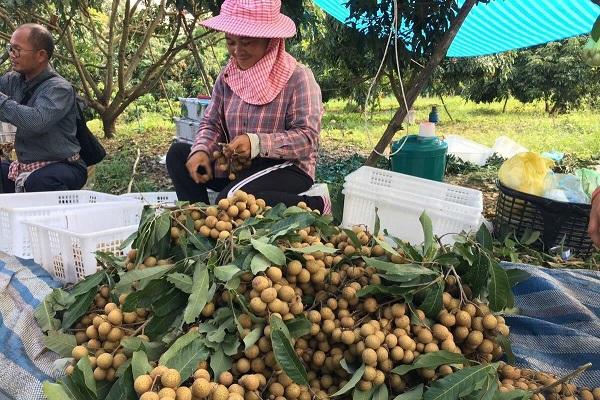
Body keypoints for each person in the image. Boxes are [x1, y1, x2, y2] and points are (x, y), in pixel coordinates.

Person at [166, 0, 330, 214]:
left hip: (289, 168)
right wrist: (202, 150)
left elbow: (307, 138)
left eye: (246, 42)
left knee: (233, 199)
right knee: (178, 155)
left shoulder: (298, 78)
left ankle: (317, 205)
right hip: (241, 167)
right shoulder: (228, 76)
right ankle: (199, 222)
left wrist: (257, 143)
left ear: (269, 41)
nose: (236, 51)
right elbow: (212, 122)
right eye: (230, 42)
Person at [0, 23, 86, 193]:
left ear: (40, 56)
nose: (12, 55)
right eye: (11, 49)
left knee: (40, 182)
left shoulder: (59, 89)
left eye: (17, 50)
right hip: (25, 166)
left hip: (63, 166)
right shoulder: (14, 80)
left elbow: (36, 121)